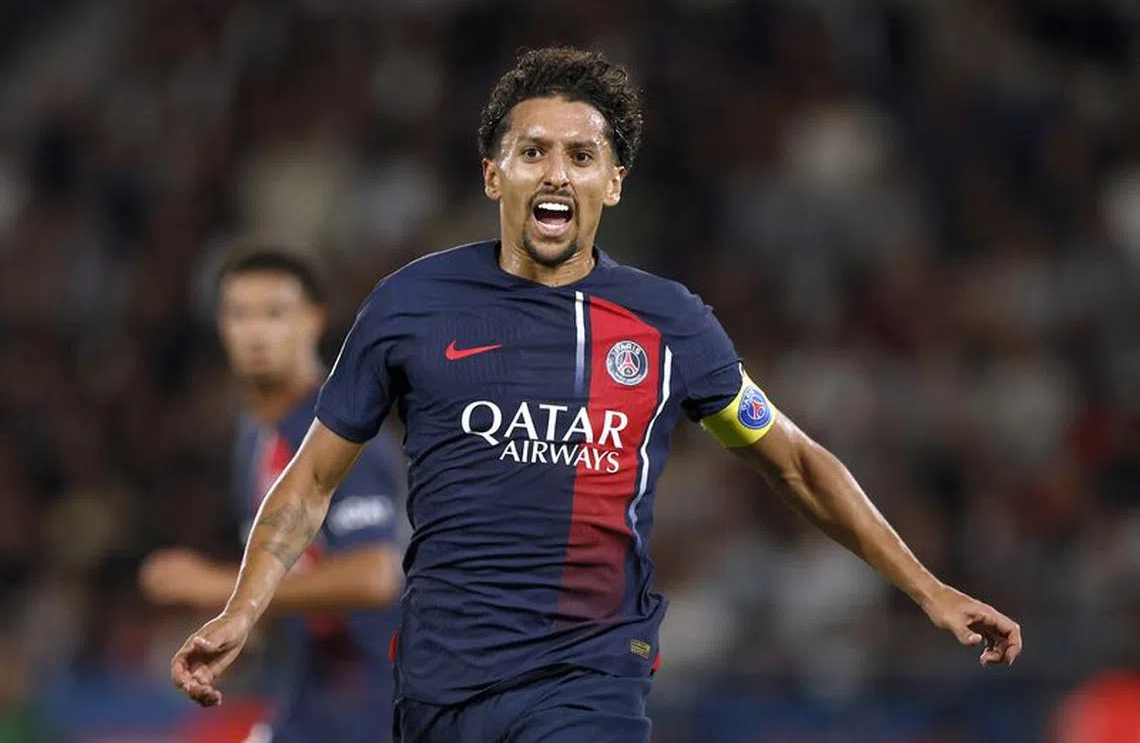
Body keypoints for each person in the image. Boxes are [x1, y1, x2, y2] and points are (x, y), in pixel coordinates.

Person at [169, 48, 1022, 743]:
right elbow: (311, 483)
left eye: (582, 156)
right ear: (493, 175)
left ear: (613, 182)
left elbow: (794, 463)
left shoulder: (668, 323)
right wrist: (243, 609)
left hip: (589, 678)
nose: (557, 173)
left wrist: (930, 590)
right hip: (438, 687)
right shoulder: (410, 305)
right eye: (533, 152)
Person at [142, 248, 403, 743]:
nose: (256, 332)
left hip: (379, 694)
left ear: (313, 320)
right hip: (316, 689)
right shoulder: (258, 434)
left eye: (274, 313)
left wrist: (223, 590)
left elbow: (376, 574)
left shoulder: (342, 431)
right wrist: (247, 633)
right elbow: (303, 564)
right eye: (240, 314)